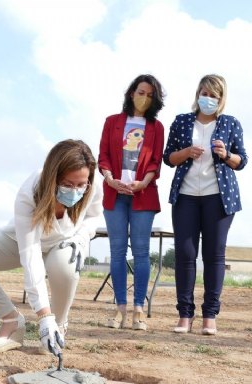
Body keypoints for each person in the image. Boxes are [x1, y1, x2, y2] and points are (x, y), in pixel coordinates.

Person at [0, 139, 103, 355]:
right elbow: (31, 257)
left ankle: (58, 327)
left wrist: (81, 237)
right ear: (53, 177)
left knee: (65, 263)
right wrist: (44, 316)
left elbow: (94, 216)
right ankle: (12, 322)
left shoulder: (93, 184)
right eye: (67, 184)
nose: (75, 191)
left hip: (62, 246)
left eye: (80, 185)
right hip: (21, 242)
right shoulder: (30, 192)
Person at [163, 74, 248, 335]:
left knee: (214, 255)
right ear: (198, 94)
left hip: (219, 197)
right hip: (186, 195)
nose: (208, 99)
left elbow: (242, 161)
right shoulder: (181, 121)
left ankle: (210, 315)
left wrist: (226, 154)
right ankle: (184, 315)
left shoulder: (230, 123)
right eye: (204, 93)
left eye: (213, 95)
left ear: (221, 99)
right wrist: (187, 152)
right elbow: (168, 157)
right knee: (185, 255)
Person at [98, 74, 165, 331]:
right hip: (114, 194)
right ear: (131, 93)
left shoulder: (157, 127)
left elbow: (155, 162)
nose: (144, 98)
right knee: (117, 252)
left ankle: (139, 309)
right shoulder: (112, 122)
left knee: (141, 252)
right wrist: (110, 179)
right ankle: (120, 308)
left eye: (150, 95)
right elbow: (103, 155)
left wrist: (144, 183)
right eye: (141, 92)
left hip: (143, 195)